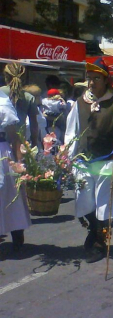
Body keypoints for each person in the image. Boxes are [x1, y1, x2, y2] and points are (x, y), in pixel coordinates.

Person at [65, 58, 113, 263]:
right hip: (82, 160)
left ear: (106, 80)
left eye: (96, 78)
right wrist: (67, 157)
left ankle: (98, 241)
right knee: (84, 200)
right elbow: (71, 131)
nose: (91, 82)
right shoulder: (79, 103)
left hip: (106, 160)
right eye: (89, 78)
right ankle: (95, 231)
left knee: (103, 202)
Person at [0, 91, 31, 252]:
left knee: (10, 194)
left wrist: (19, 162)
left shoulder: (2, 103)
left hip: (2, 153)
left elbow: (14, 136)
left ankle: (16, 231)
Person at [1, 62, 39, 148]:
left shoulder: (0, 93)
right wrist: (34, 144)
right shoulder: (29, 97)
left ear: (6, 76)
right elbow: (34, 125)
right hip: (20, 145)